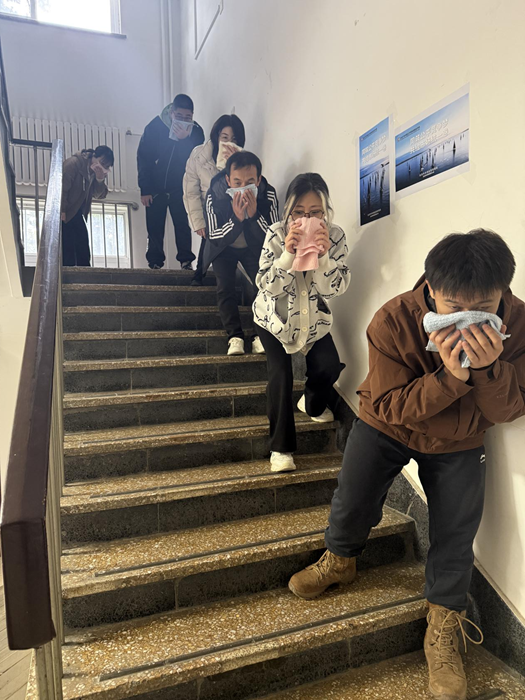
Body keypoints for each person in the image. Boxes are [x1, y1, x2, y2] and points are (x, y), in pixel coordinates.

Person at [288, 230, 525, 700]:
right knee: (353, 498)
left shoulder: (518, 325)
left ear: (504, 293)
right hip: (387, 424)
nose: (468, 318)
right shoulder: (394, 319)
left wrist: (489, 370)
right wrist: (452, 378)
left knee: (457, 531)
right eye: (454, 305)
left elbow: (508, 409)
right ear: (431, 288)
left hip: (460, 439)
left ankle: (444, 625)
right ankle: (340, 559)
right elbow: (391, 405)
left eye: (484, 306)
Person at [253, 173, 350, 473]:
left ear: (325, 210)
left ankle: (311, 403)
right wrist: (287, 254)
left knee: (328, 366)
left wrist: (323, 257)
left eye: (315, 212)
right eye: (299, 212)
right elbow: (266, 286)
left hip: (313, 319)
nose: (306, 219)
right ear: (288, 211)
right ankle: (280, 449)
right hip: (273, 318)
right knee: (280, 375)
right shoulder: (275, 233)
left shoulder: (335, 236)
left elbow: (336, 288)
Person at [204, 151, 278, 356]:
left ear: (259, 180)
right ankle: (234, 337)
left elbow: (274, 236)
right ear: (228, 180)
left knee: (262, 286)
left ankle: (258, 336)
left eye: (250, 182)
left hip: (253, 247)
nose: (243, 187)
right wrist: (236, 219)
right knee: (225, 287)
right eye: (237, 182)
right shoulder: (214, 194)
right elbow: (214, 235)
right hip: (223, 247)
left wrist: (254, 216)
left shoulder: (268, 194)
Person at [137, 94, 205, 270]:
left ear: (192, 116)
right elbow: (144, 158)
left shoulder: (196, 132)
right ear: (171, 113)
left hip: (181, 188)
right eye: (179, 116)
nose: (183, 121)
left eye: (188, 117)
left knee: (182, 225)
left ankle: (186, 261)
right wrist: (145, 189)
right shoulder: (155, 127)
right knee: (154, 226)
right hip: (155, 187)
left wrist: (185, 140)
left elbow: (194, 160)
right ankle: (155, 262)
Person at [183, 114, 246, 286]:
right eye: (224, 137)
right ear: (216, 136)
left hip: (232, 208)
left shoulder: (242, 159)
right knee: (208, 238)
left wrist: (234, 164)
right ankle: (199, 274)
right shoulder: (198, 155)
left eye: (234, 139)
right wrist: (198, 222)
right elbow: (190, 191)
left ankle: (220, 277)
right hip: (208, 208)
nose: (228, 143)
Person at [61, 145, 114, 267]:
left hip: (77, 212)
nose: (103, 167)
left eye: (106, 166)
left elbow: (99, 194)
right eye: (102, 163)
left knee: (83, 249)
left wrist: (100, 180)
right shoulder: (73, 164)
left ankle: (84, 275)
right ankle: (69, 275)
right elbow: (62, 188)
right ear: (94, 156)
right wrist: (62, 210)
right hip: (66, 211)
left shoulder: (94, 173)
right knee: (68, 250)